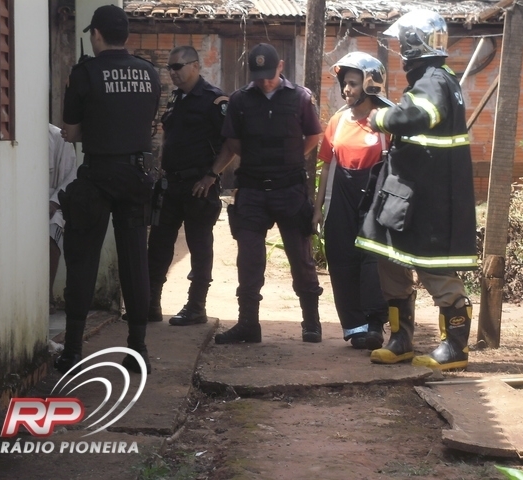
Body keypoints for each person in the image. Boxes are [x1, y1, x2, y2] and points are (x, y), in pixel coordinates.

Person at [357, 10, 477, 370]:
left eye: (402, 42)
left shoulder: (434, 80)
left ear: (413, 43)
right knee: (391, 260)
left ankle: (454, 348)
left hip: (428, 200)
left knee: (434, 267)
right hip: (407, 194)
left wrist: (381, 118)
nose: (399, 49)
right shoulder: (433, 79)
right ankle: (400, 341)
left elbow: (420, 115)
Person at [192, 43, 324, 344]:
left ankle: (311, 322)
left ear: (281, 66)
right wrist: (251, 161)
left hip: (289, 189)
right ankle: (248, 324)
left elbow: (314, 135)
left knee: (300, 258)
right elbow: (233, 142)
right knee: (249, 260)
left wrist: (290, 158)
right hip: (252, 189)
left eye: (269, 74)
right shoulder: (240, 100)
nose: (264, 81)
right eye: (259, 75)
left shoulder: (300, 97)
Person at [55, 5, 161, 374]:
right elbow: (144, 121)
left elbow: (70, 132)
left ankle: (72, 351)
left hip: (98, 175)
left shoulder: (85, 73)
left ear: (96, 35)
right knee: (135, 262)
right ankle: (138, 350)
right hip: (136, 176)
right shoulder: (149, 72)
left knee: (82, 261)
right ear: (126, 35)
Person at [312, 53, 390, 350]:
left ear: (370, 85)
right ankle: (355, 327)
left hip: (375, 194)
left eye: (353, 83)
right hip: (342, 195)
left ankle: (375, 323)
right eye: (345, 83)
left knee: (372, 259)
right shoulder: (337, 121)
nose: (347, 89)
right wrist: (318, 208)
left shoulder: (385, 120)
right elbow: (326, 166)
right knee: (341, 257)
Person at [146, 45, 227, 326]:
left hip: (198, 187)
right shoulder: (175, 98)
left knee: (199, 247)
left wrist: (212, 175)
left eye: (177, 67)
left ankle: (196, 307)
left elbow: (231, 144)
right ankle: (151, 304)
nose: (172, 72)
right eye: (169, 67)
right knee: (158, 245)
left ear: (195, 66)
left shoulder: (214, 100)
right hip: (170, 184)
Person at [48, 123, 77, 315]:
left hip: (52, 204)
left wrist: (53, 202)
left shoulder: (58, 136)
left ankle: (47, 293)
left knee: (52, 235)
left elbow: (71, 176)